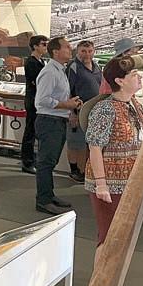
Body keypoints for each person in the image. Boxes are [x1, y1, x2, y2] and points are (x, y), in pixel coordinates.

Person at [84, 58, 143, 256]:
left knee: (122, 237)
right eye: (133, 75)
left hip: (128, 182)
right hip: (110, 185)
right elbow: (95, 147)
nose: (139, 78)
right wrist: (101, 184)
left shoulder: (134, 105)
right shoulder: (105, 109)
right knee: (108, 237)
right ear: (119, 81)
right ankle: (101, 276)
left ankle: (113, 276)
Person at [34, 37, 83, 215]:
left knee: (50, 161)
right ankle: (43, 200)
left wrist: (69, 107)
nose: (71, 49)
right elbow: (42, 100)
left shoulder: (60, 70)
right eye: (67, 47)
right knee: (46, 162)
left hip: (57, 120)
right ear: (56, 51)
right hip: (49, 121)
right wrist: (66, 105)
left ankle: (48, 195)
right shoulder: (50, 72)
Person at [65, 40, 102, 182]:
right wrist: (72, 112)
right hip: (78, 110)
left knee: (90, 143)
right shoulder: (73, 67)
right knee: (76, 142)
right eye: (83, 51)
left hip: (94, 111)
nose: (87, 54)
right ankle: (75, 170)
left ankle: (86, 170)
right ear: (78, 52)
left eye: (90, 51)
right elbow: (67, 90)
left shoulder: (96, 66)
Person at [22, 35, 48, 174]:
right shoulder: (31, 62)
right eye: (43, 44)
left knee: (35, 131)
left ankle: (33, 159)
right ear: (35, 46)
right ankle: (27, 161)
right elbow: (36, 81)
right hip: (33, 100)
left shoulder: (42, 61)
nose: (45, 47)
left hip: (39, 99)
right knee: (30, 131)